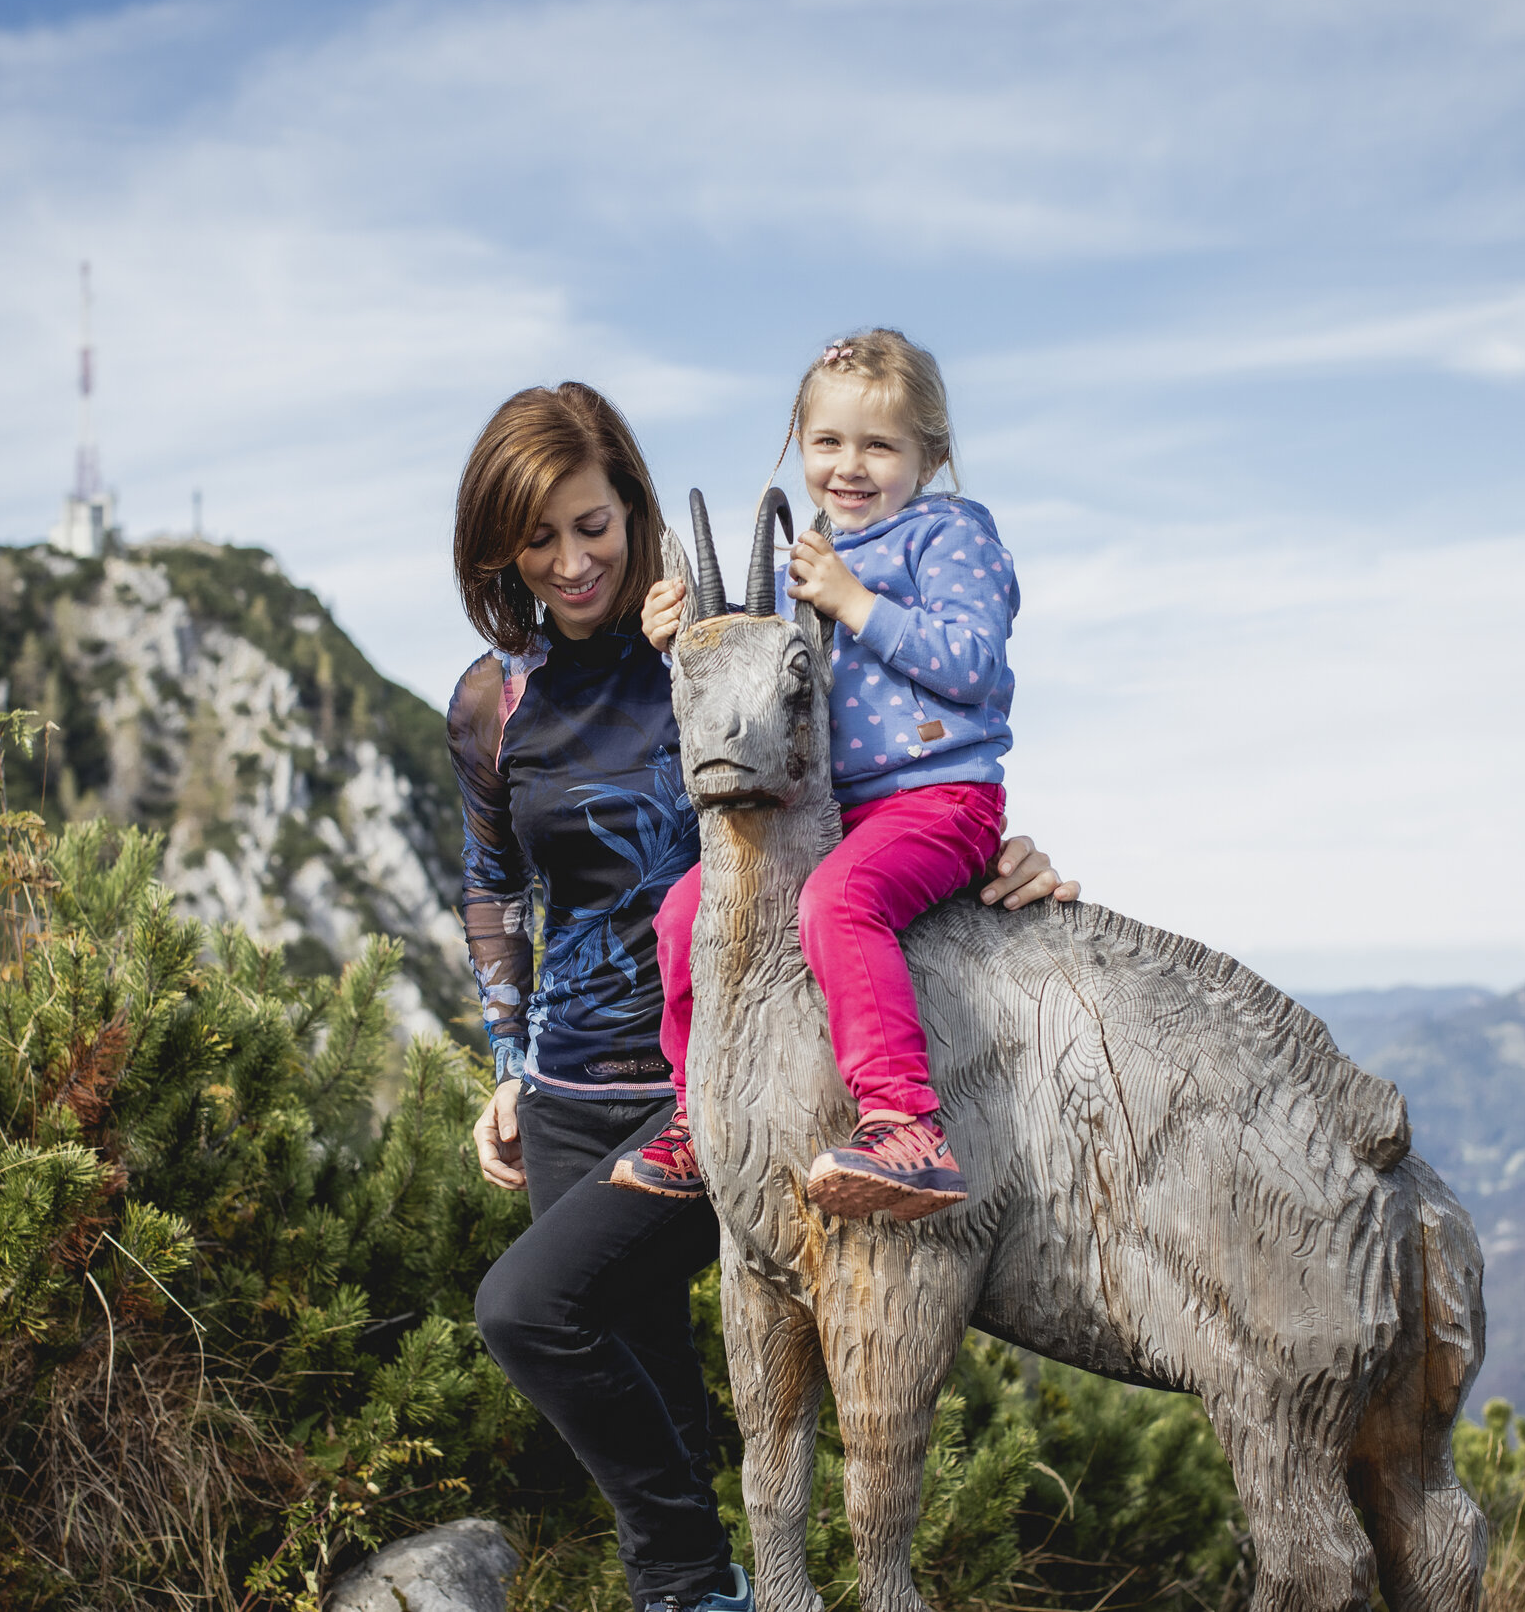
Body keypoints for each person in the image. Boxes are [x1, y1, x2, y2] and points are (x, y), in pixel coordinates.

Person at [451, 382, 1074, 1612]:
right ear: (501, 546)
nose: (573, 561)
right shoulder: (494, 699)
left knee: (527, 1312)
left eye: (594, 524)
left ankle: (699, 1580)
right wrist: (506, 1059)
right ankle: (696, 1587)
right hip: (568, 1091)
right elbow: (491, 886)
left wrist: (1003, 851)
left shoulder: (710, 645)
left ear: (632, 507)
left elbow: (872, 781)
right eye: (541, 537)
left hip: (713, 1092)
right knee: (646, 1376)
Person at [618, 330, 1016, 1222]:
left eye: (881, 445)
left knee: (838, 903)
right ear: (800, 443)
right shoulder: (815, 558)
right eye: (829, 442)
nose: (852, 465)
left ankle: (908, 1122)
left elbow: (976, 662)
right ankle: (697, 1115)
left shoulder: (950, 534)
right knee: (687, 910)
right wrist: (678, 640)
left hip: (939, 798)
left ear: (932, 455)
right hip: (835, 812)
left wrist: (854, 603)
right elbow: (766, 694)